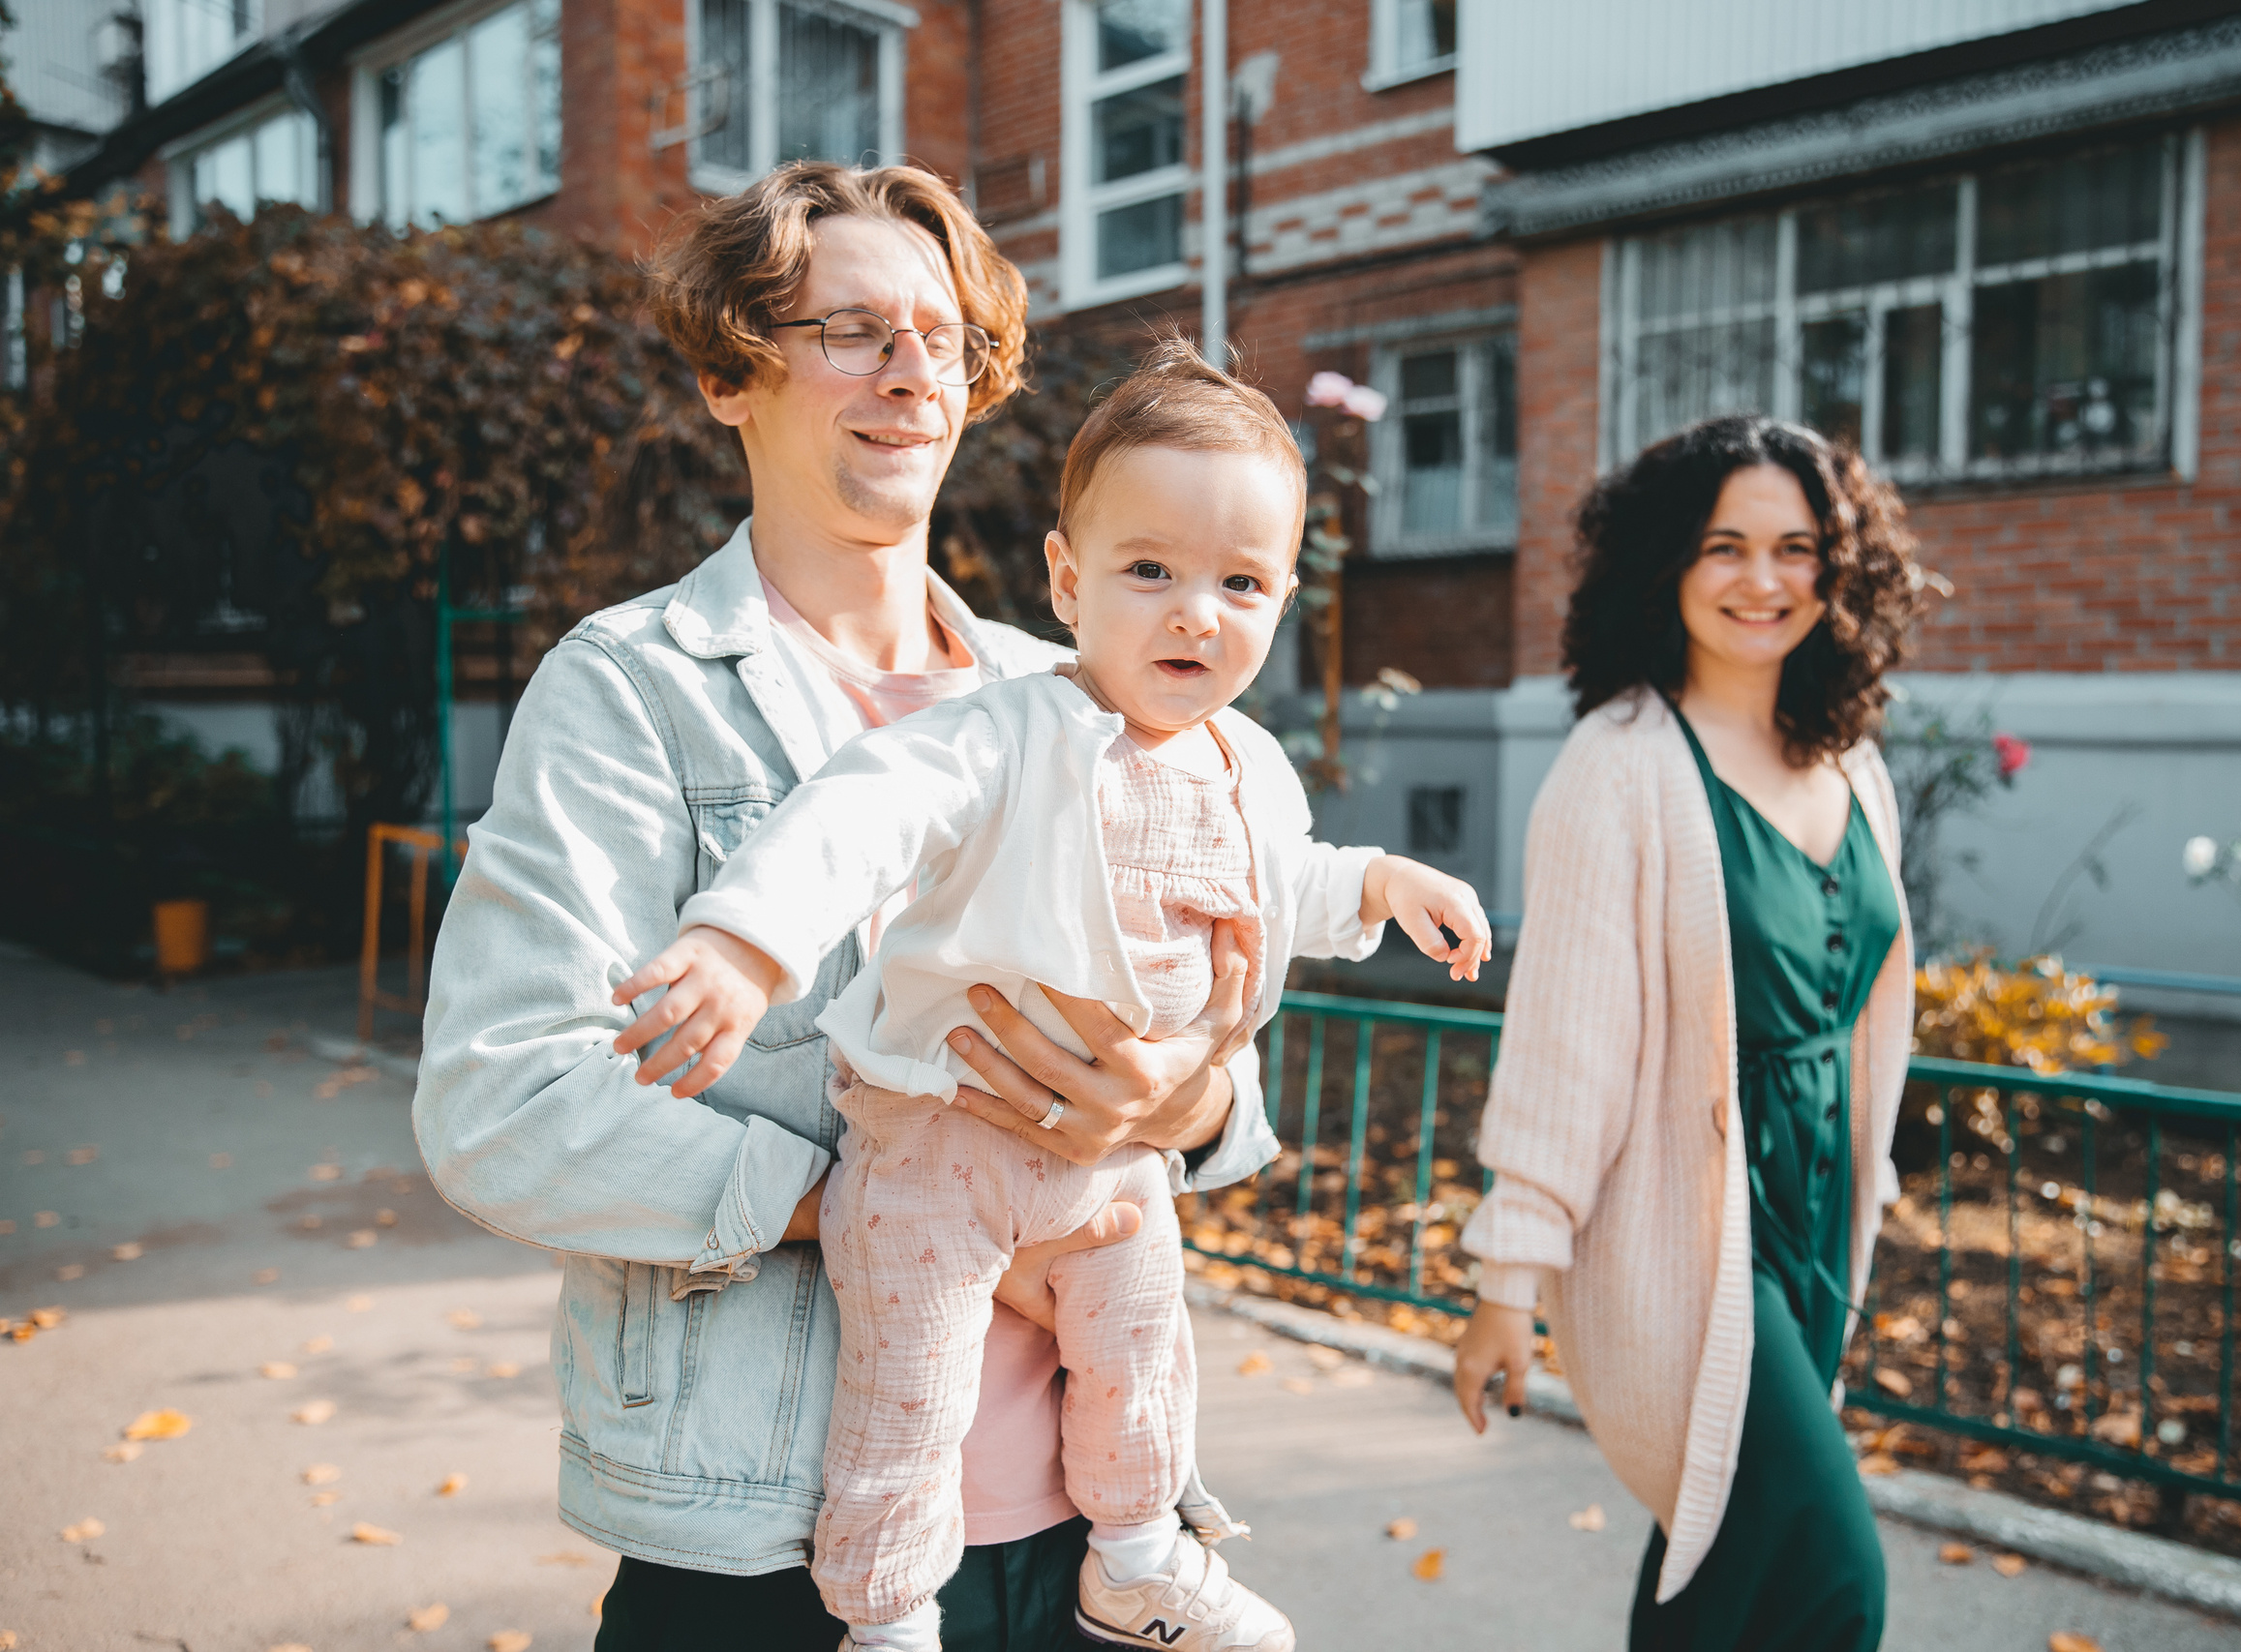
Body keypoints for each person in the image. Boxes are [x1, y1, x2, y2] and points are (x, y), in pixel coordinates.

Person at [413, 164, 1279, 1651]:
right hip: (765, 1543)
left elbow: (1223, 1052)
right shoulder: (633, 692)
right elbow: (504, 1101)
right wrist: (891, 1209)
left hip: (1085, 1535)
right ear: (728, 375)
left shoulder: (1076, 689)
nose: (910, 373)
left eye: (943, 338)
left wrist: (1185, 1095)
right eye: (852, 331)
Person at [614, 339, 1491, 1652]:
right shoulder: (1005, 731)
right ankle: (889, 1614)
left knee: (1143, 1356)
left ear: (1282, 600)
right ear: (1068, 580)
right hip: (940, 1142)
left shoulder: (1247, 764)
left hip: (1113, 1169)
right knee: (910, 1390)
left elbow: (1285, 880)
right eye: (1150, 571)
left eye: (1240, 582)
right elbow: (859, 818)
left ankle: (1134, 1554)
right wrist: (744, 944)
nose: (1195, 614)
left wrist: (1381, 884)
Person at [1449, 414, 1925, 1651]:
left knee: (1725, 1556)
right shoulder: (1618, 766)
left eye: (1795, 548)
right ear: (1665, 562)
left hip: (1818, 1211)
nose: (1763, 580)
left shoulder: (1852, 764)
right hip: (1688, 1221)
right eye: (1724, 547)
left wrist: (1867, 1176)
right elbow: (1564, 1050)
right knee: (1834, 1582)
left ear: (1839, 568)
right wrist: (1508, 1280)